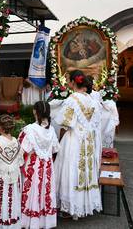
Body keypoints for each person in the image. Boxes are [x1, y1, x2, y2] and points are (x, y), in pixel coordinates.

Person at [54, 70, 102, 219]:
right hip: (88, 140)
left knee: (71, 169)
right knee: (85, 169)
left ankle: (70, 207)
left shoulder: (72, 99)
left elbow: (64, 123)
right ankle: (83, 204)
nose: (68, 83)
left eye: (69, 80)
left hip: (74, 139)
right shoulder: (92, 99)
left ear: (74, 82)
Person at [19, 101, 60, 229]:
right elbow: (55, 149)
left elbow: (22, 149)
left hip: (33, 165)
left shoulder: (30, 129)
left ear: (35, 112)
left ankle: (29, 220)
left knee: (32, 190)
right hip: (47, 165)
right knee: (44, 190)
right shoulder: (51, 130)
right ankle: (44, 221)